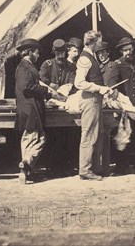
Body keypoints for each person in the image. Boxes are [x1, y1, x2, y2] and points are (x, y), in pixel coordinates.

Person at [15, 38, 62, 184]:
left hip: (31, 107)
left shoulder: (27, 66)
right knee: (36, 139)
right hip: (30, 109)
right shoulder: (25, 67)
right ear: (29, 52)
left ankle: (26, 171)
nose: (38, 55)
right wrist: (46, 92)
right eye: (36, 52)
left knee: (31, 139)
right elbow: (26, 87)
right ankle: (25, 164)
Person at [105, 37, 135, 174]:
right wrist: (113, 91)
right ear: (121, 51)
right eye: (125, 50)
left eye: (130, 49)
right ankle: (121, 166)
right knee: (123, 133)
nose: (128, 52)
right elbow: (111, 82)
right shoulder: (117, 64)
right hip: (126, 105)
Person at [73, 30, 113, 180]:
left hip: (95, 100)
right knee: (89, 134)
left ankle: (95, 167)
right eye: (98, 42)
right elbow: (79, 82)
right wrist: (99, 88)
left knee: (97, 133)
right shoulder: (85, 59)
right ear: (92, 42)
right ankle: (85, 170)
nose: (100, 45)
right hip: (89, 100)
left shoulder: (91, 56)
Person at [38, 39, 75, 177]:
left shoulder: (71, 66)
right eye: (58, 53)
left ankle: (66, 166)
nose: (60, 56)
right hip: (51, 105)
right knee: (52, 137)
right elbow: (41, 78)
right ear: (54, 52)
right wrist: (51, 85)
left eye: (62, 53)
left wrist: (67, 88)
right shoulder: (46, 64)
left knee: (67, 136)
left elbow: (73, 80)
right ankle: (51, 167)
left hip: (65, 104)